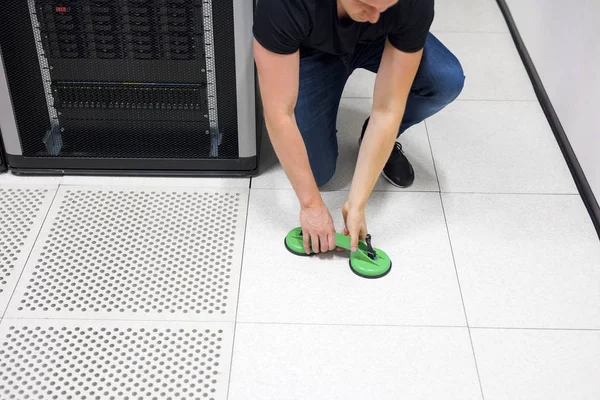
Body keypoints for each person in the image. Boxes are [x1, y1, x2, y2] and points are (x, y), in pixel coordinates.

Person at [253, 0, 464, 255]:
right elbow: (279, 113)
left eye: (384, 6)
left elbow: (387, 109)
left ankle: (374, 142)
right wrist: (311, 206)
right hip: (312, 49)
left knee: (445, 79)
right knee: (318, 172)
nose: (374, 17)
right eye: (366, 4)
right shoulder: (284, 5)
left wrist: (357, 203)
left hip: (379, 43)